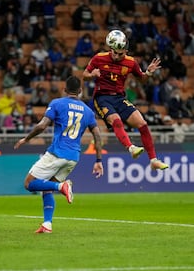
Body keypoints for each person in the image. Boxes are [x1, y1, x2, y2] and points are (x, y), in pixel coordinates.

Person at [14, 76, 104, 234]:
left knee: (29, 183)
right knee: (46, 188)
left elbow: (42, 126)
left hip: (57, 153)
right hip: (73, 157)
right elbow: (97, 135)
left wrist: (26, 138)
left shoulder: (57, 103)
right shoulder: (88, 111)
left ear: (64, 89)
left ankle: (62, 186)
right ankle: (47, 224)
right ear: (81, 91)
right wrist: (98, 160)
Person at [82, 29, 169, 170]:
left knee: (142, 123)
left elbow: (141, 79)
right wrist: (92, 75)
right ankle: (131, 148)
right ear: (110, 49)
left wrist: (148, 73)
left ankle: (153, 160)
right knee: (115, 120)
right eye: (114, 52)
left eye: (120, 53)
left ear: (126, 51)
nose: (116, 56)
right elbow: (84, 75)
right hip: (102, 97)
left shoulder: (130, 62)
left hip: (119, 97)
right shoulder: (99, 58)